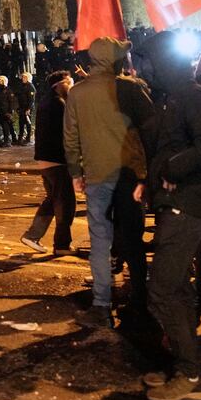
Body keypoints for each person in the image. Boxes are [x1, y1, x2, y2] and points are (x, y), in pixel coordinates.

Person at [141, 30, 201, 400]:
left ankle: (191, 374)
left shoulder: (191, 95)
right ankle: (181, 363)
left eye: (147, 61)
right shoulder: (172, 96)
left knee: (162, 288)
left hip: (187, 205)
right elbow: (170, 146)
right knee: (178, 288)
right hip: (172, 203)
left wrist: (173, 170)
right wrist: (151, 181)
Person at [63, 38, 155, 333]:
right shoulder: (131, 87)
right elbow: (151, 129)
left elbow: (70, 138)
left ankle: (102, 305)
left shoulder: (77, 93)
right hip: (129, 174)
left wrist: (76, 171)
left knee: (100, 242)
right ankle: (140, 297)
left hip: (97, 175)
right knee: (133, 238)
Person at [20, 70, 76, 255]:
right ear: (58, 85)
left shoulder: (48, 102)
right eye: (69, 82)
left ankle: (32, 235)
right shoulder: (57, 104)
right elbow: (67, 133)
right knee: (65, 204)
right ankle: (61, 245)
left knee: (53, 200)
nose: (72, 85)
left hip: (46, 160)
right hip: (56, 160)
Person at [14, 72, 36, 145]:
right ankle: (20, 138)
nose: (23, 79)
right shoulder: (21, 86)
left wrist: (29, 109)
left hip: (27, 108)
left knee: (27, 123)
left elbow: (31, 100)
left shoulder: (30, 87)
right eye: (23, 77)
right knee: (21, 123)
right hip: (21, 107)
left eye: (25, 77)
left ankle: (28, 138)